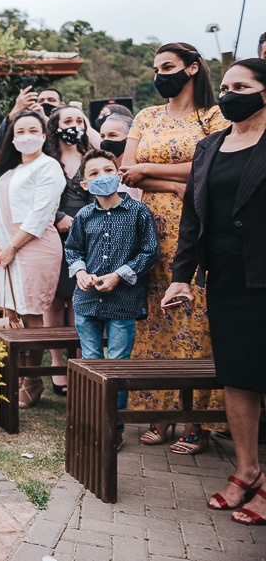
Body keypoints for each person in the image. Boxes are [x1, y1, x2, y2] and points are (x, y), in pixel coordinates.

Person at [164, 59, 266, 525]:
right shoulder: (210, 145)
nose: (228, 94)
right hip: (225, 277)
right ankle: (247, 470)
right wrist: (182, 274)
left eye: (240, 86)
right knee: (238, 376)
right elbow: (193, 215)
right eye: (223, 86)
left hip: (264, 271)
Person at [122, 42, 229, 453]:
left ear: (192, 69)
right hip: (152, 227)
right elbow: (128, 170)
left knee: (194, 321)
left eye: (167, 66)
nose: (159, 74)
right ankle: (158, 410)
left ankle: (195, 419)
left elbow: (215, 164)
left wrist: (150, 169)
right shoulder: (147, 116)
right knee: (154, 322)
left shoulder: (216, 115)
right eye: (155, 68)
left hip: (200, 224)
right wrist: (169, 181)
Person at [64, 149, 159, 449]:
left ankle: (114, 426)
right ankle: (93, 420)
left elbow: (150, 252)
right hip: (87, 301)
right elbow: (73, 250)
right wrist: (80, 272)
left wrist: (119, 274)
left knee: (117, 364)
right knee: (91, 361)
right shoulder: (83, 216)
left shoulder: (139, 213)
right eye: (93, 174)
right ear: (84, 184)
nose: (102, 177)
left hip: (124, 301)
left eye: (108, 170)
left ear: (118, 175)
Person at [0, 110, 64, 407]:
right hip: (5, 251)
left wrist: (11, 248)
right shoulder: (7, 173)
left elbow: (41, 214)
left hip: (33, 248)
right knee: (12, 313)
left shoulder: (49, 167)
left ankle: (31, 379)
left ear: (44, 136)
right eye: (20, 132)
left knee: (31, 314)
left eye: (33, 130)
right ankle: (16, 374)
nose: (26, 136)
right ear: (13, 139)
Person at [43, 105, 94, 395]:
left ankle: (78, 363)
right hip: (54, 232)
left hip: (87, 235)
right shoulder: (48, 158)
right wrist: (59, 216)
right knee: (54, 298)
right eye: (68, 120)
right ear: (56, 125)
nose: (74, 125)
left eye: (79, 120)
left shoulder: (90, 157)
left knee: (78, 298)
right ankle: (56, 365)